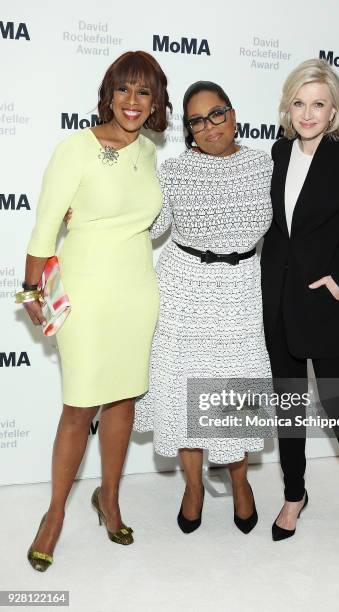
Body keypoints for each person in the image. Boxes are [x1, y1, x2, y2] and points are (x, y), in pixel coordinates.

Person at [18, 50, 171, 571]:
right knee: (80, 406)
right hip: (83, 294)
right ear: (108, 92)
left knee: (124, 399)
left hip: (136, 292)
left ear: (155, 102)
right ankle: (55, 514)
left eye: (144, 92)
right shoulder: (75, 148)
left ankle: (109, 498)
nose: (133, 101)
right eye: (124, 89)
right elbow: (43, 229)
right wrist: (31, 292)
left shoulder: (149, 152)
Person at [134, 81, 273, 534]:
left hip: (240, 291)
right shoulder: (173, 171)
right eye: (196, 120)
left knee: (233, 395)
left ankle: (241, 483)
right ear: (188, 130)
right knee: (186, 391)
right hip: (185, 288)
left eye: (216, 114)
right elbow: (150, 227)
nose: (208, 126)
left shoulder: (265, 165)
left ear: (233, 115)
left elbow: (300, 212)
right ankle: (193, 488)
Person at [260, 59, 339, 541]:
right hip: (278, 301)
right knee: (288, 405)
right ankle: (294, 495)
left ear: (334, 112)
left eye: (318, 104)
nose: (307, 113)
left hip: (328, 303)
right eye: (299, 102)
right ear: (287, 107)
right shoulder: (275, 154)